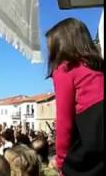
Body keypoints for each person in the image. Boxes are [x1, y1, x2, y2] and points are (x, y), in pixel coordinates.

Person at [46, 18, 104, 176]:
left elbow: (64, 120)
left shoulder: (65, 69)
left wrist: (61, 162)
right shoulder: (97, 67)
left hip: (92, 138)